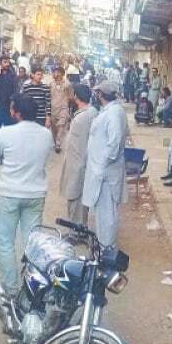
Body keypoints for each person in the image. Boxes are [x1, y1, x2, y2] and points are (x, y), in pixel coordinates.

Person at [0, 95, 54, 296]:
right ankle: (33, 286)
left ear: (17, 112)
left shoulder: (5, 133)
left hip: (9, 193)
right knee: (33, 242)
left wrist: (6, 163)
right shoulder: (46, 134)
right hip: (35, 194)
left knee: (6, 242)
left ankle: (11, 287)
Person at [82, 81, 129, 249]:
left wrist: (102, 164)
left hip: (106, 172)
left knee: (107, 213)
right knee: (102, 212)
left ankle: (107, 248)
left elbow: (114, 143)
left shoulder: (114, 114)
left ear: (100, 94)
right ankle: (103, 245)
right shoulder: (112, 111)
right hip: (103, 170)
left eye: (97, 93)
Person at [59, 84, 98, 226]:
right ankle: (79, 227)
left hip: (77, 164)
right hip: (82, 162)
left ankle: (77, 232)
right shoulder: (92, 112)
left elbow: (77, 146)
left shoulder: (82, 118)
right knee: (80, 198)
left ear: (76, 96)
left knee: (75, 197)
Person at [0, 55, 18, 134]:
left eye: (8, 62)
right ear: (0, 63)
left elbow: (16, 88)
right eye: (5, 62)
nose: (7, 64)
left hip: (9, 104)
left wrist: (13, 99)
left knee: (9, 125)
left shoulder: (12, 74)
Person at [49, 66, 73, 153]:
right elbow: (48, 96)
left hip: (63, 109)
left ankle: (58, 143)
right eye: (54, 72)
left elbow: (71, 97)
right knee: (54, 128)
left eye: (55, 72)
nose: (54, 74)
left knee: (61, 126)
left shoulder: (67, 84)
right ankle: (55, 142)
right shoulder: (51, 84)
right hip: (53, 109)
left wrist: (67, 103)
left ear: (61, 74)